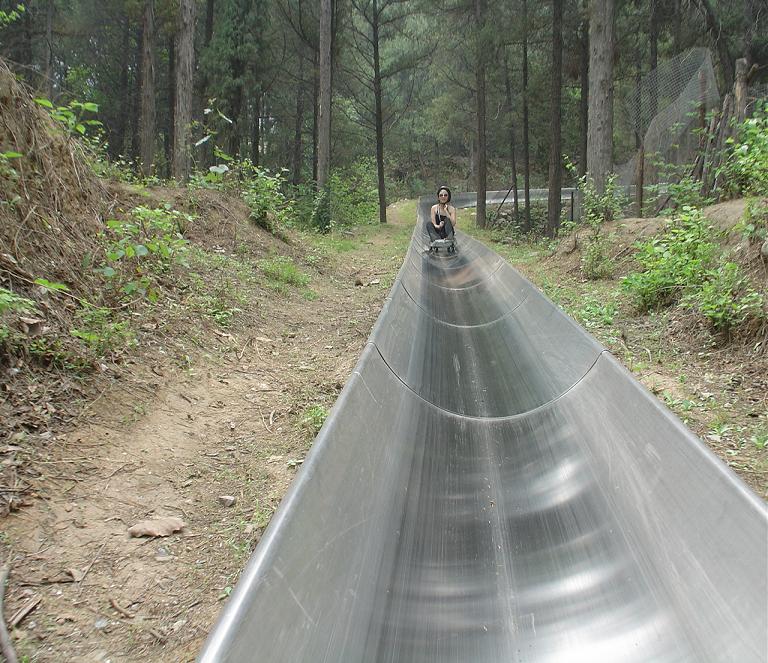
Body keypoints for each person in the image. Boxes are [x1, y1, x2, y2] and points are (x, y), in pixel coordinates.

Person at [428, 186, 457, 251]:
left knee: (447, 220)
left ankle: (449, 239)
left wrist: (446, 211)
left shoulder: (452, 209)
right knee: (429, 224)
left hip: (447, 233)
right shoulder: (434, 208)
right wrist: (439, 226)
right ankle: (436, 240)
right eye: (441, 195)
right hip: (438, 232)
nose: (443, 197)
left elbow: (453, 223)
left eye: (445, 195)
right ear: (438, 197)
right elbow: (434, 223)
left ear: (448, 197)